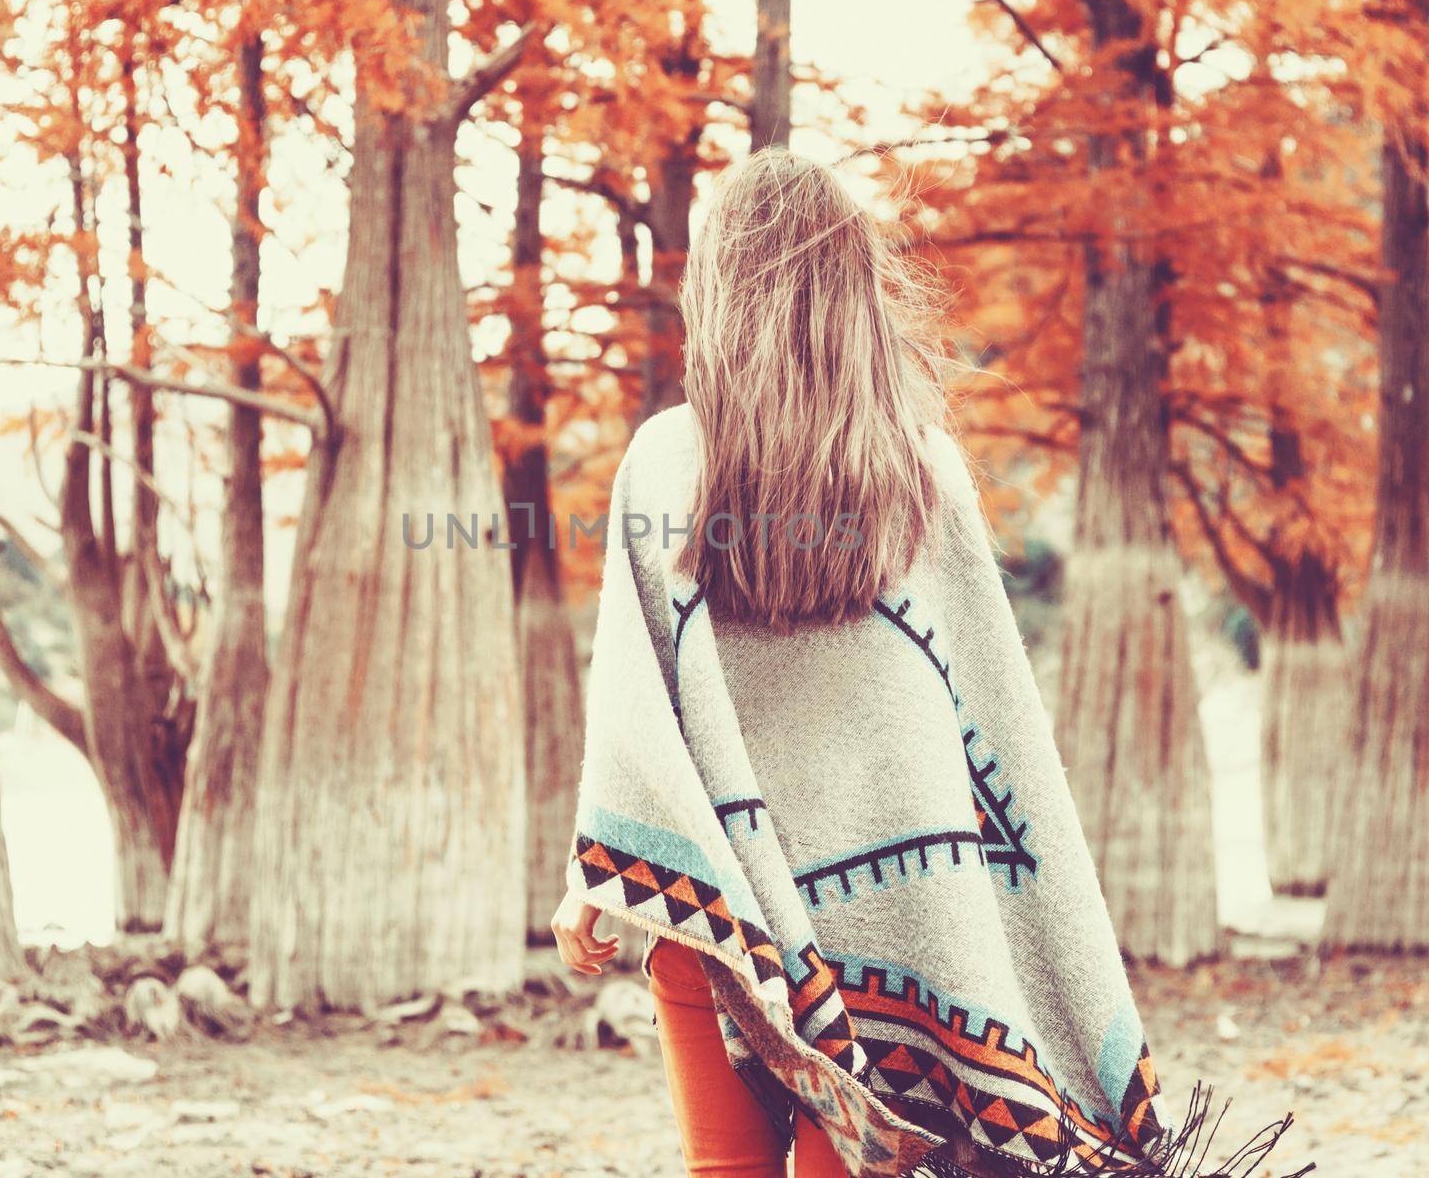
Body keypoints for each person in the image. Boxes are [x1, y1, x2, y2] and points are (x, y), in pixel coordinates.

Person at [550, 150, 1297, 1178]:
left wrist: (596, 877)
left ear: (716, 295)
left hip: (721, 920)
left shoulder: (666, 461)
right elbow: (986, 725)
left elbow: (638, 702)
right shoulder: (921, 470)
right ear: (855, 293)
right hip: (891, 930)